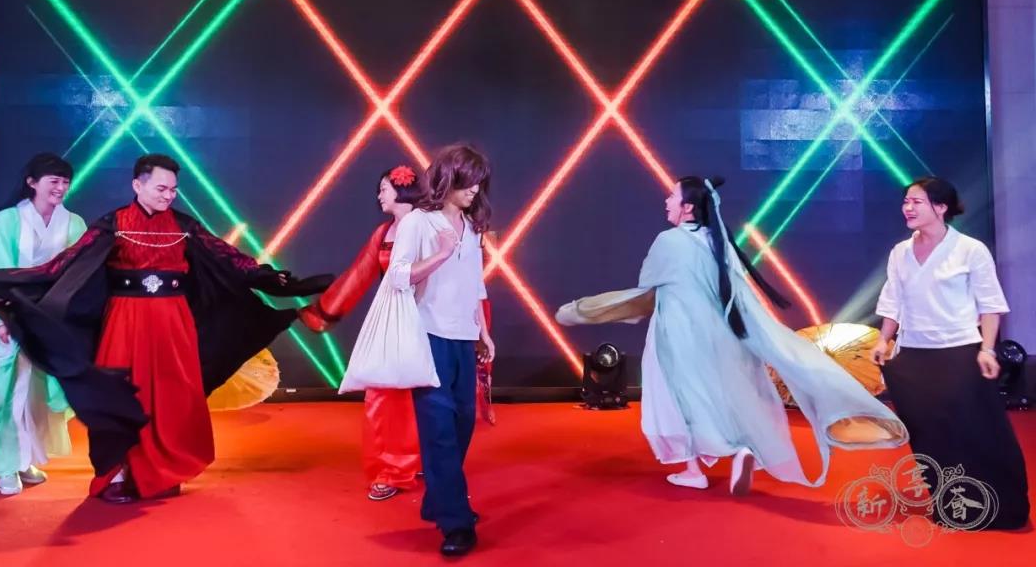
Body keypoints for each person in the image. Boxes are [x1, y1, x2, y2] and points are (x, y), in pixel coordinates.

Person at [0, 154, 333, 503]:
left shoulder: (184, 225)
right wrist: (7, 287)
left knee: (173, 395)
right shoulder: (113, 223)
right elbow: (64, 265)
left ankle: (165, 469)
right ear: (138, 185)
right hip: (125, 319)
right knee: (120, 393)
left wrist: (278, 281)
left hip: (172, 321)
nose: (168, 195)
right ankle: (118, 474)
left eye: (173, 190)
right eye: (161, 188)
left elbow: (229, 258)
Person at [557, 176, 908, 494]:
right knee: (721, 396)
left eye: (672, 195)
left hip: (677, 335)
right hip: (722, 336)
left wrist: (584, 311)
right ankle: (741, 447)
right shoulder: (719, 243)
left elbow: (644, 293)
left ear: (688, 207)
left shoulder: (669, 241)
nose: (666, 200)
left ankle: (694, 470)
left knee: (676, 401)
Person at [872, 176, 1029, 529]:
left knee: (977, 432)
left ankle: (1000, 509)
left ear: (941, 207)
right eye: (906, 201)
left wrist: (987, 349)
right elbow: (892, 300)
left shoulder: (970, 250)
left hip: (959, 352)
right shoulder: (900, 252)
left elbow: (990, 305)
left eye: (916, 202)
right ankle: (950, 506)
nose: (907, 208)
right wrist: (884, 340)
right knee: (929, 436)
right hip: (913, 356)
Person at [385, 145, 495, 557]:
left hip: (464, 338)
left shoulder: (472, 225)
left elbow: (475, 284)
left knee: (463, 424)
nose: (476, 189)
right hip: (427, 336)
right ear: (449, 178)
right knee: (440, 431)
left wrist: (484, 332)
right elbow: (397, 276)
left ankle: (439, 499)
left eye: (480, 182)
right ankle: (456, 522)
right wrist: (442, 253)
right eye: (469, 180)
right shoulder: (419, 222)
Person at [299, 165, 426, 501]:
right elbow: (360, 274)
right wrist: (324, 311)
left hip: (428, 320)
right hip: (395, 320)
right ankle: (392, 468)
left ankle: (418, 460)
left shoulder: (428, 226)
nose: (379, 195)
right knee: (386, 395)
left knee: (424, 398)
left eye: (384, 188)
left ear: (402, 189)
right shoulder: (384, 232)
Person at [0, 154, 86, 496]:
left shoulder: (74, 223)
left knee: (37, 395)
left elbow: (77, 275)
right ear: (32, 182)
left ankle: (24, 458)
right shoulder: (8, 220)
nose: (60, 188)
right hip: (10, 318)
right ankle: (5, 465)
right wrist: (2, 320)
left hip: (50, 321)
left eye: (65, 182)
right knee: (9, 392)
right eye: (53, 181)